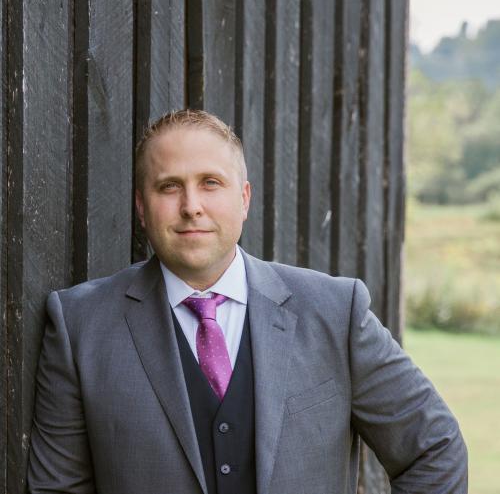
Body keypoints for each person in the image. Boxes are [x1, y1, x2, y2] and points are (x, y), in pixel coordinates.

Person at [28, 109, 467, 494]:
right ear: (142, 207)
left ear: (243, 199)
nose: (192, 206)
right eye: (169, 187)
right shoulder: (80, 325)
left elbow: (434, 448)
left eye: (211, 183)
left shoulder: (335, 311)